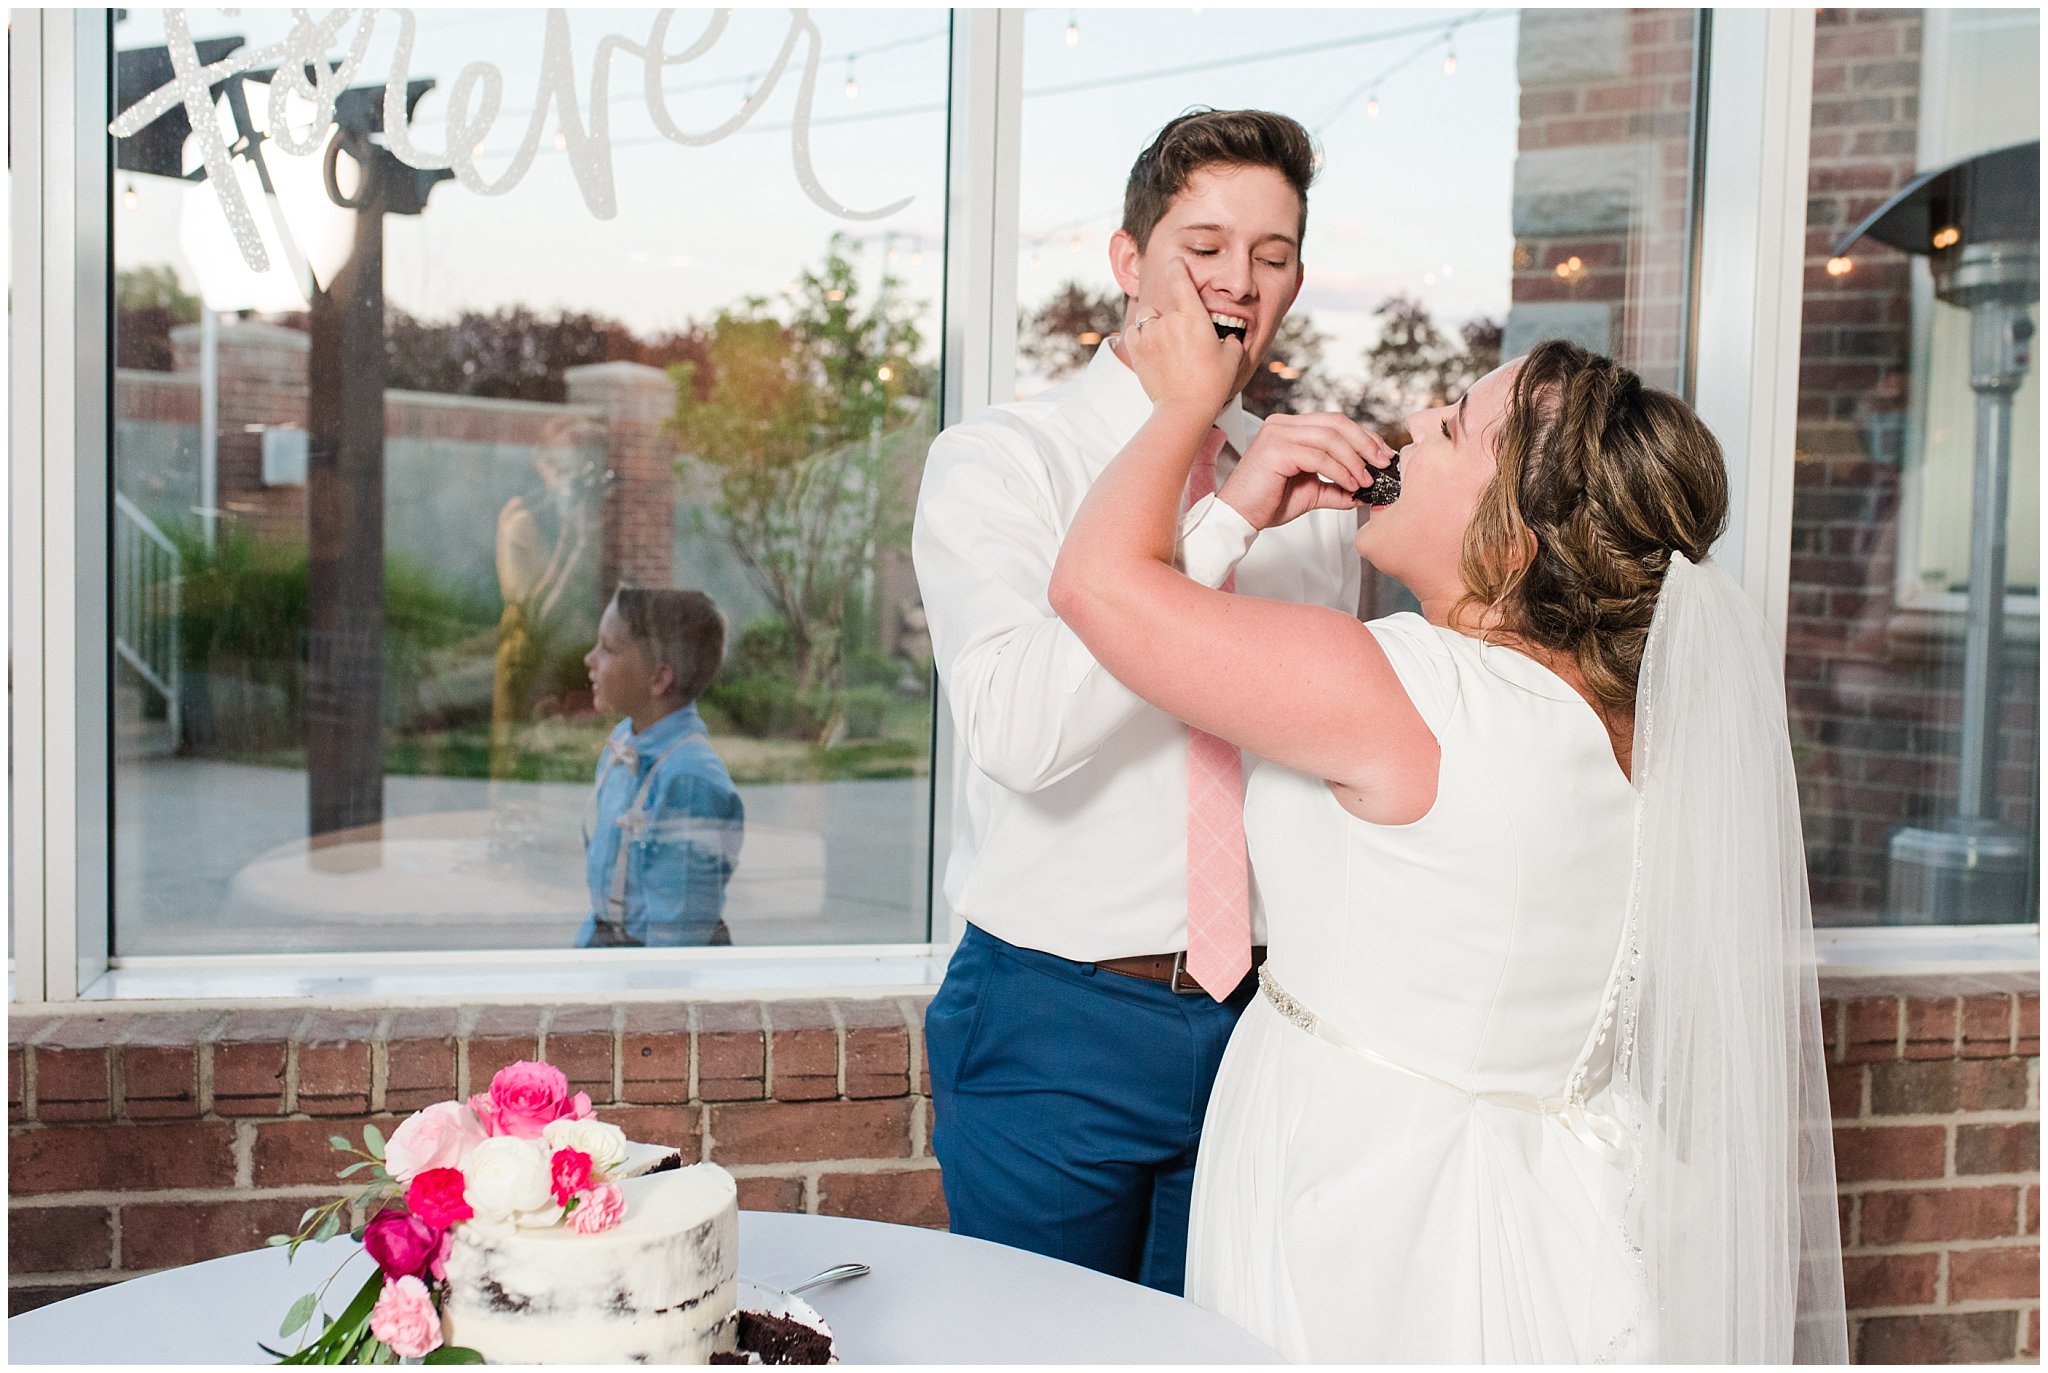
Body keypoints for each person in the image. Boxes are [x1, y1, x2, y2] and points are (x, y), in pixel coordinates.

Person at [1049, 267, 1848, 1361]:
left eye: (1455, 423)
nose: (1414, 417)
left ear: (1511, 544)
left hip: (1364, 1211)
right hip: (1544, 1209)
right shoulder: (1633, 730)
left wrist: (1187, 403)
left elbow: (1096, 586)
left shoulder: (1404, 692)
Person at [911, 109, 1389, 1294]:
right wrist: (1219, 520)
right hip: (1052, 1016)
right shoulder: (999, 462)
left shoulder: (1313, 493)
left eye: (1272, 255)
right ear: (1129, 264)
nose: (1239, 280)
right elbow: (1025, 737)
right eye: (1205, 245)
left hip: (1265, 1019)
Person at [577, 587, 744, 949]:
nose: (589, 659)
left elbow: (678, 937)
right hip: (612, 954)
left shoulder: (687, 781)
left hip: (649, 974)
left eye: (607, 648)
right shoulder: (624, 742)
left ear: (658, 678)